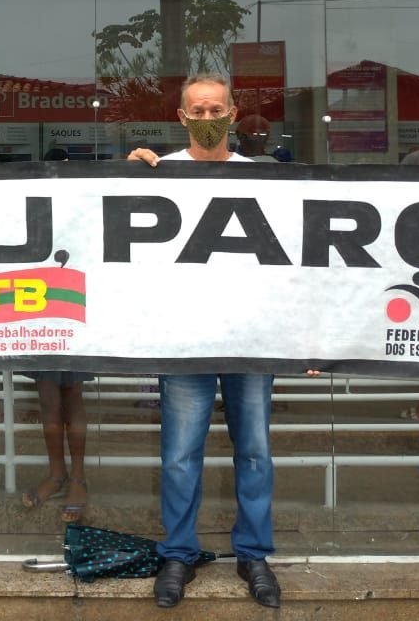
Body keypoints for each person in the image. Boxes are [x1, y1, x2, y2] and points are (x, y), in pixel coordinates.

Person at [127, 73, 280, 610]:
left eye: (217, 109)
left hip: (250, 338)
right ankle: (178, 553)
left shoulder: (265, 178)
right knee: (179, 455)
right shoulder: (160, 172)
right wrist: (125, 177)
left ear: (233, 114)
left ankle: (253, 554)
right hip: (185, 337)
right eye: (198, 109)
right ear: (182, 117)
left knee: (255, 452)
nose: (208, 117)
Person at [20, 147, 90, 522]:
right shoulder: (29, 212)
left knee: (73, 399)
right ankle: (57, 474)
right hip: (40, 317)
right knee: (49, 401)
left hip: (75, 315)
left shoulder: (86, 212)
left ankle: (77, 477)